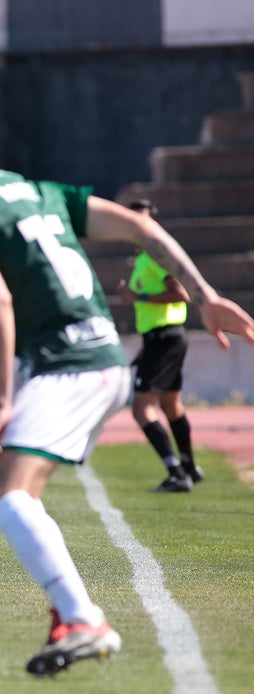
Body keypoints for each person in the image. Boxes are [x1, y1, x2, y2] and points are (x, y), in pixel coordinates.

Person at [0, 99, 254, 677]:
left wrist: (0, 403)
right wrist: (205, 297)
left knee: (8, 494)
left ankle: (82, 619)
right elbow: (139, 227)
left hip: (70, 365)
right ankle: (70, 611)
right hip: (98, 354)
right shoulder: (44, 192)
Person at [116, 199, 202, 493]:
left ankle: (176, 472)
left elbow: (181, 294)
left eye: (144, 219)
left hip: (166, 338)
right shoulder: (145, 259)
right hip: (165, 338)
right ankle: (189, 466)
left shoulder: (154, 256)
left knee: (141, 408)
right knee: (170, 404)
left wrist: (135, 298)